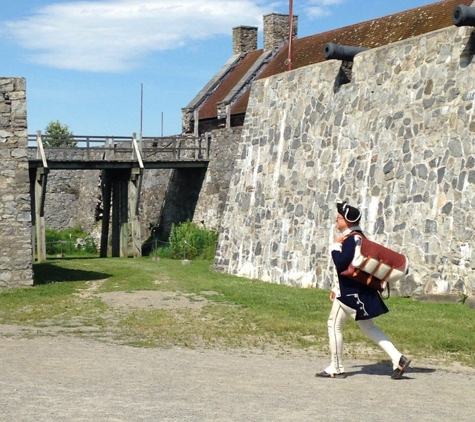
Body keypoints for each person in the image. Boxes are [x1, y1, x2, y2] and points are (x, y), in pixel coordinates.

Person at [316, 201, 411, 380]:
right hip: (356, 292)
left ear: (348, 221)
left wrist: (334, 246)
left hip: (348, 294)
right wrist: (334, 287)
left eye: (338, 218)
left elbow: (341, 263)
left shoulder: (350, 239)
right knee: (368, 327)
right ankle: (398, 358)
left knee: (333, 325)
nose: (336, 221)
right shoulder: (359, 237)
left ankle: (336, 367)